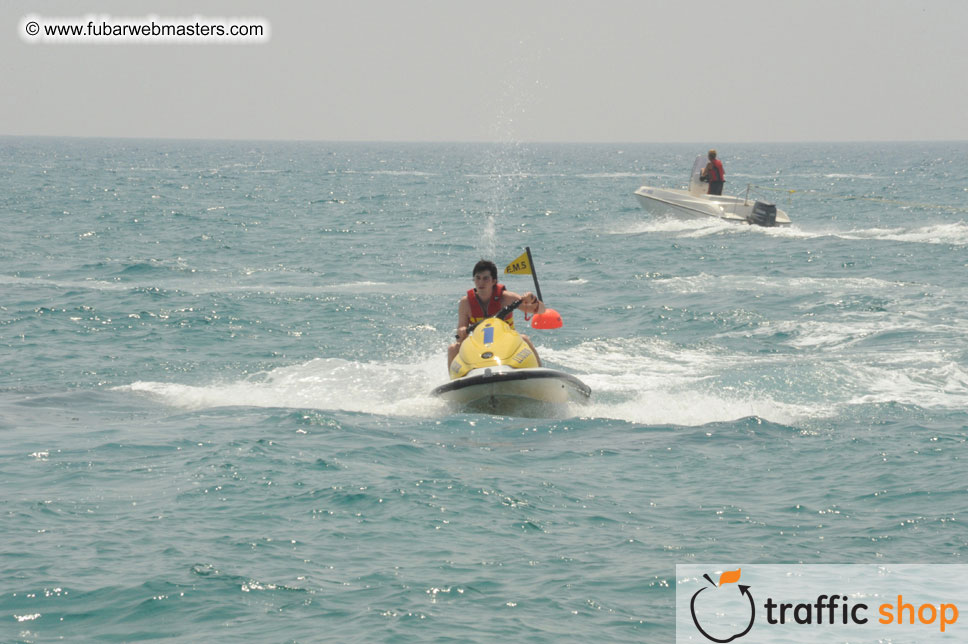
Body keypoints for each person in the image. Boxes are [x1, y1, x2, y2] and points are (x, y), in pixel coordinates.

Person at [446, 259, 544, 368]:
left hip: (507, 345)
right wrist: (461, 331)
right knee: (452, 349)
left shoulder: (507, 298)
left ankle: (541, 375)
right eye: (477, 278)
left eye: (485, 278)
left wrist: (533, 299)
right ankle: (456, 383)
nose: (481, 282)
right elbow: (460, 335)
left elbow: (541, 310)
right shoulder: (466, 303)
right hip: (479, 347)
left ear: (494, 281)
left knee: (524, 338)